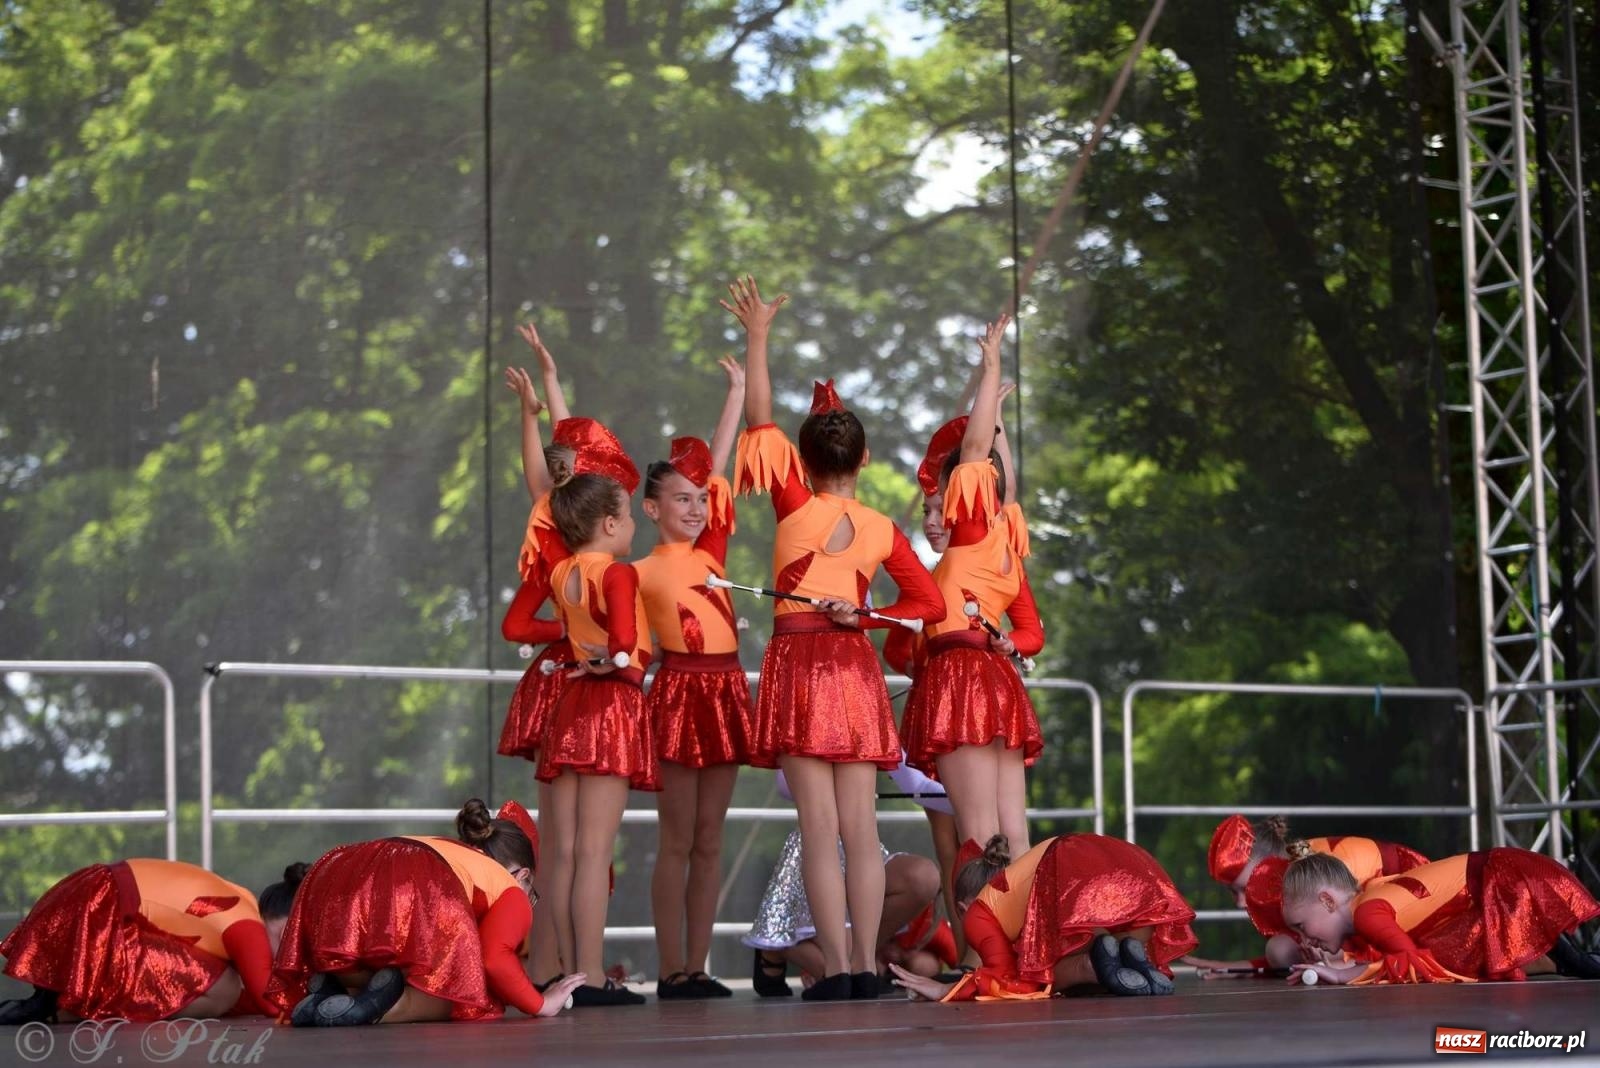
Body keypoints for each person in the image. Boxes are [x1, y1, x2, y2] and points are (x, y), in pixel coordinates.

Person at [723, 275, 945, 1000]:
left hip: (800, 665)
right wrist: (869, 615)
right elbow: (929, 601)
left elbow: (758, 417)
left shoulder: (792, 500)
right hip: (853, 670)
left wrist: (758, 334)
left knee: (821, 830)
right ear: (863, 458)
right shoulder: (882, 527)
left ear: (804, 460)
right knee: (856, 825)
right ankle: (859, 966)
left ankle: (844, 969)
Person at [898, 319, 1042, 858]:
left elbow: (980, 452)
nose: (940, 511)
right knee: (1014, 838)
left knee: (980, 838)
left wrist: (991, 371)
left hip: (963, 680)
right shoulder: (1005, 543)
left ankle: (989, 946)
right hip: (998, 681)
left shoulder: (974, 530)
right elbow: (1032, 632)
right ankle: (1018, 942)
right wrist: (1011, 644)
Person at [635, 359, 753, 1000]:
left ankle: (698, 966)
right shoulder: (638, 569)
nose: (697, 506)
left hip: (728, 688)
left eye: (700, 498)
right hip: (679, 692)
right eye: (681, 498)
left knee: (711, 838)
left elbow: (719, 471)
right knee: (676, 838)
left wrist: (736, 392)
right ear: (651, 508)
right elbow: (633, 645)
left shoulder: (714, 554)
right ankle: (670, 967)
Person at [268, 799, 584, 1025]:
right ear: (525, 876)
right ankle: (370, 1010)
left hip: (341, 868)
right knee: (466, 995)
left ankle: (338, 989)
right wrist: (541, 1003)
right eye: (533, 894)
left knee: (386, 962)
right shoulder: (510, 889)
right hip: (415, 880)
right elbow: (494, 958)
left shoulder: (455, 854)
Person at [539, 424, 659, 1006]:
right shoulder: (617, 572)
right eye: (630, 517)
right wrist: (620, 665)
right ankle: (588, 976)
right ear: (609, 524)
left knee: (563, 852)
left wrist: (591, 660)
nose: (633, 526)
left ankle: (568, 973)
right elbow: (625, 643)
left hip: (568, 705)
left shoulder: (562, 571)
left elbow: (576, 635)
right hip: (609, 707)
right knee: (593, 852)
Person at [889, 833, 1197, 1002]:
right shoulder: (1019, 896)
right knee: (1107, 949)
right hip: (1123, 857)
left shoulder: (979, 914)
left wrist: (947, 990)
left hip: (1068, 864)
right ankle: (1136, 959)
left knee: (1031, 978)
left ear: (962, 907)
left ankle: (1090, 967)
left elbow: (1004, 977)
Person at [0, 859, 305, 1024]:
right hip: (95, 915)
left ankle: (67, 1006)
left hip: (88, 907)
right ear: (278, 916)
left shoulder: (242, 902)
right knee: (222, 986)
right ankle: (78, 1007)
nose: (288, 955)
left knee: (221, 983)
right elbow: (269, 1003)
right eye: (287, 937)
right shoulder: (245, 925)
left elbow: (248, 1000)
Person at [1279, 841, 1600, 985]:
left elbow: (1410, 962)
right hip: (1500, 880)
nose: (1303, 937)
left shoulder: (1368, 913)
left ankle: (1572, 959)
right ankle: (1571, 959)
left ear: (1328, 901)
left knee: (1439, 957)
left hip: (1504, 881)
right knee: (1448, 949)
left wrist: (1341, 974)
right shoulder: (1370, 899)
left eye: (1302, 925)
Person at [1187, 814, 1430, 975]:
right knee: (1280, 949)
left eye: (1245, 888)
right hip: (1371, 921)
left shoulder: (1329, 868)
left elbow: (1372, 922)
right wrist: (1237, 968)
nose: (1241, 902)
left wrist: (1341, 963)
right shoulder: (1290, 883)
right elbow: (1284, 954)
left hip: (1413, 903)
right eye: (1234, 892)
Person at [744, 829, 954, 996]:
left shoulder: (922, 932)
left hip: (858, 848)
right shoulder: (925, 930)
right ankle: (779, 943)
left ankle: (843, 959)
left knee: (924, 877)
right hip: (820, 845)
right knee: (824, 825)